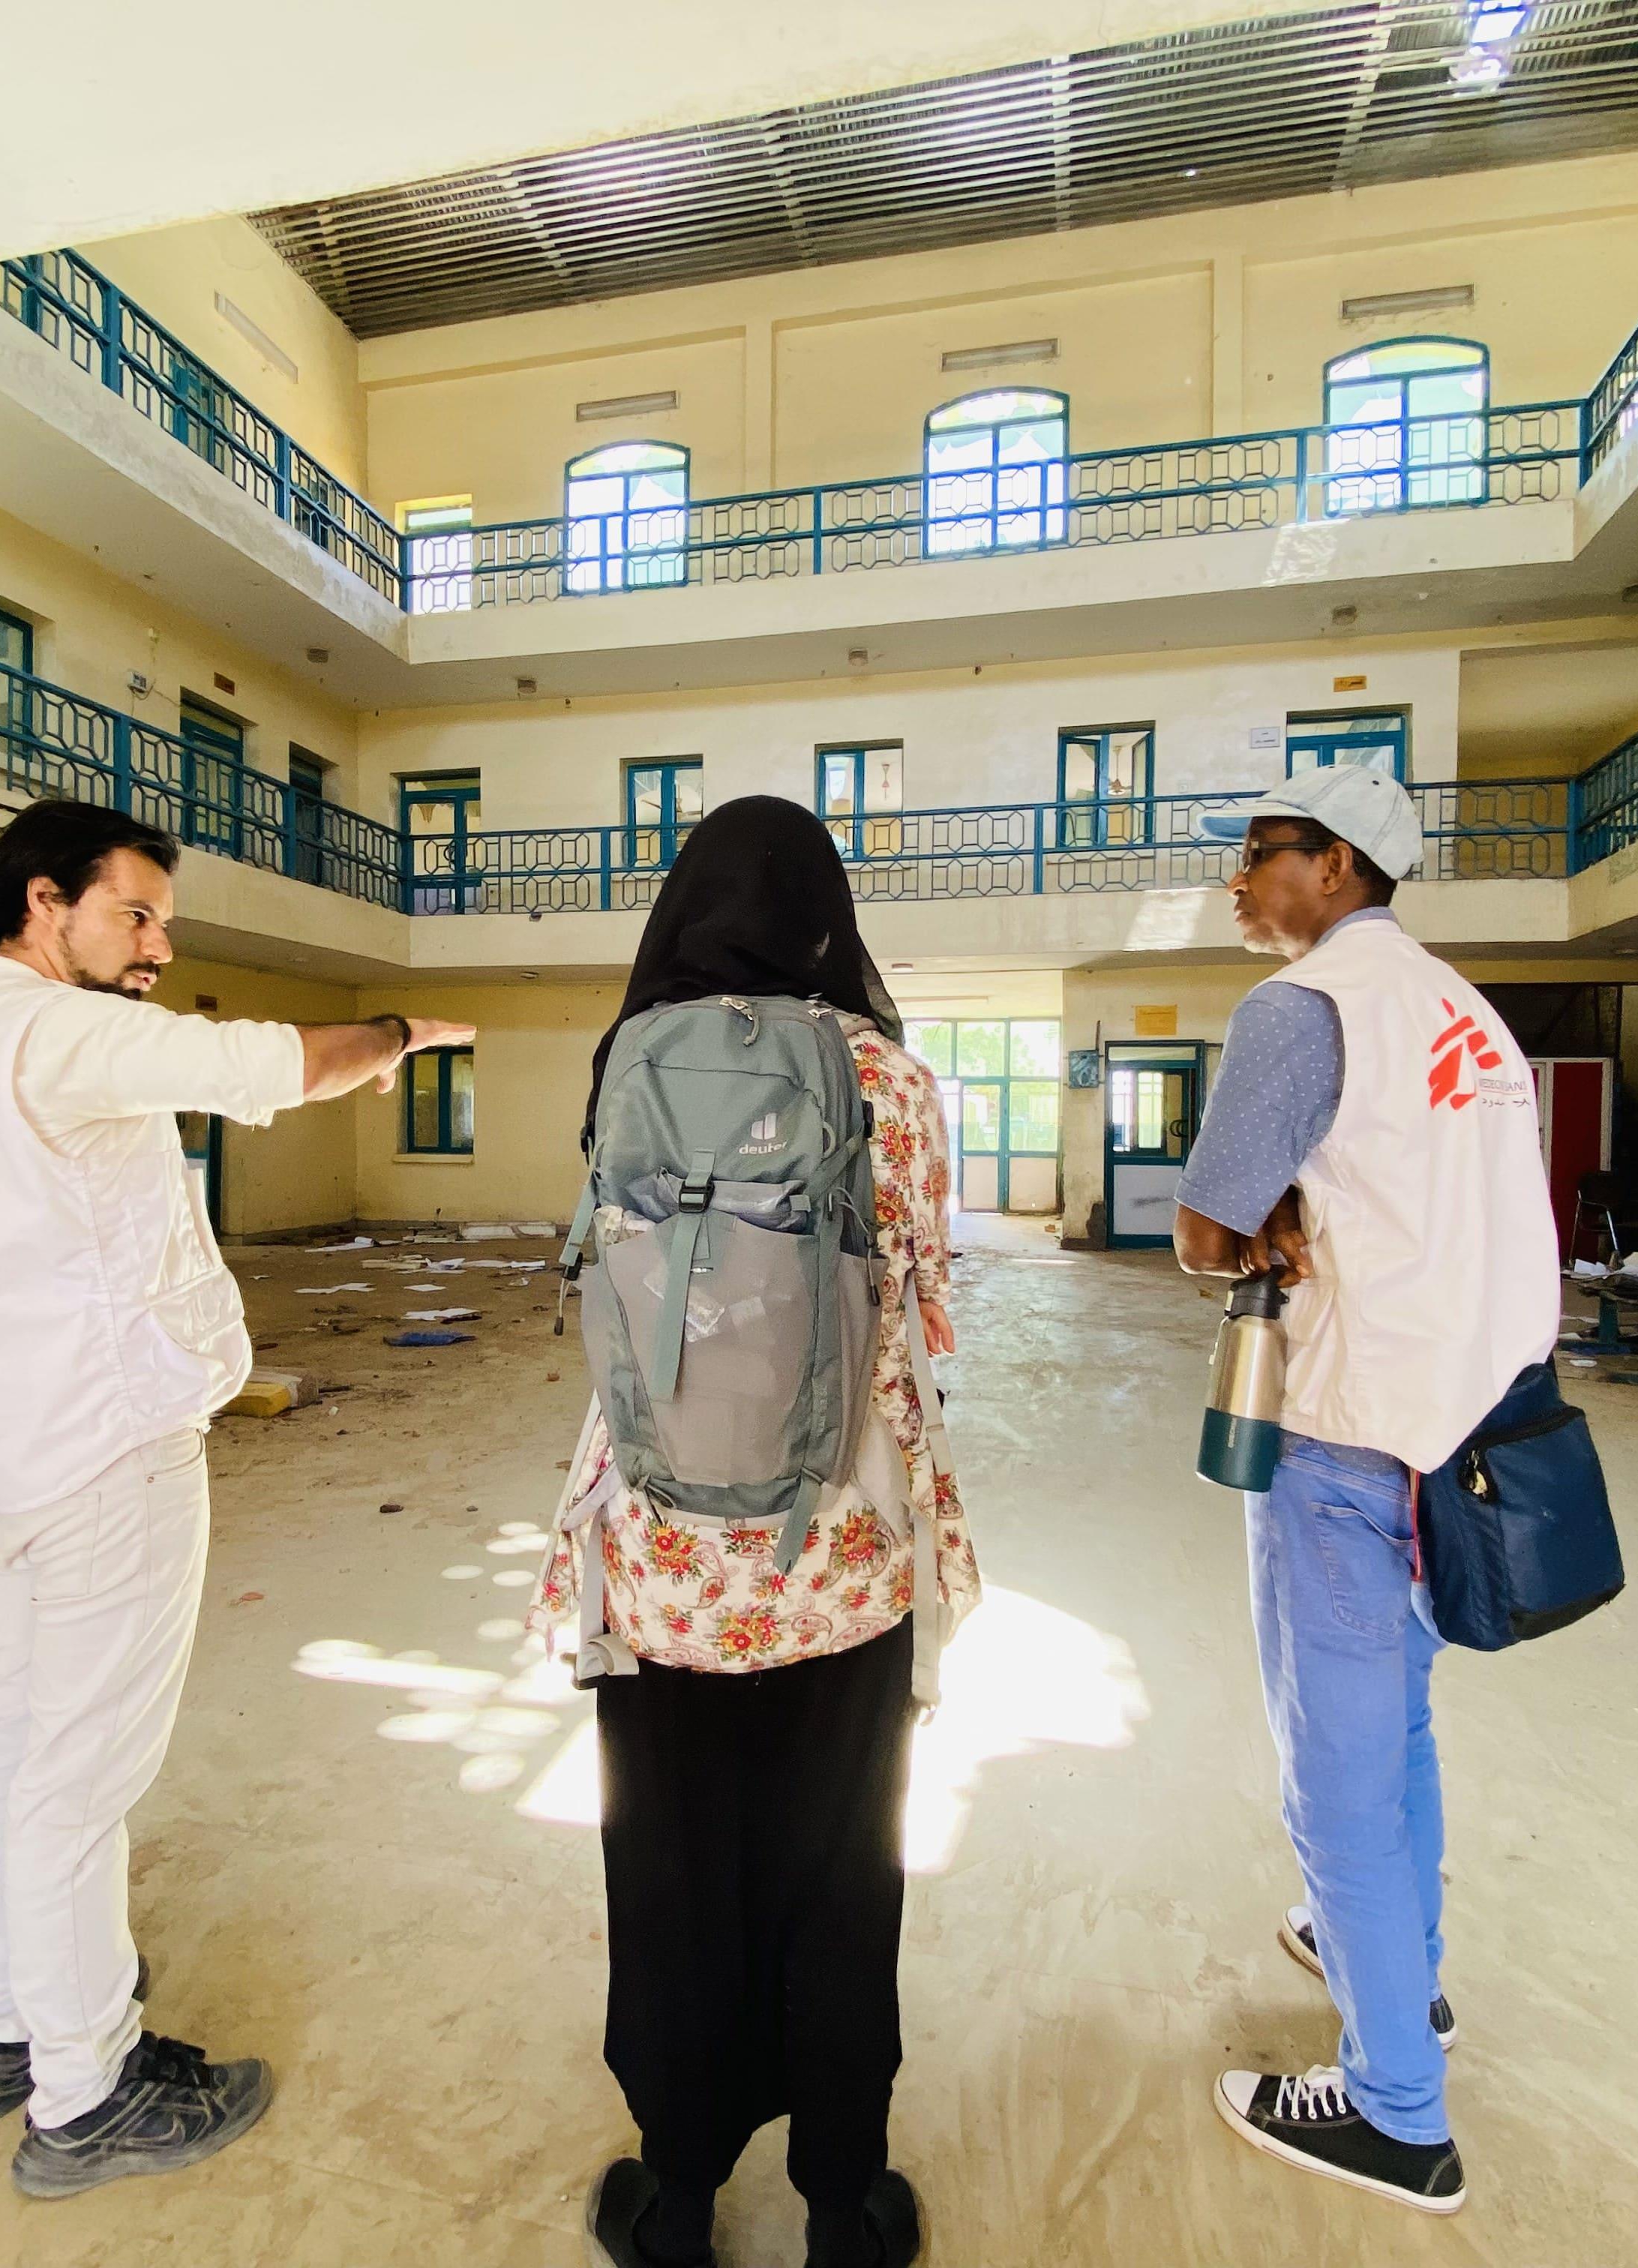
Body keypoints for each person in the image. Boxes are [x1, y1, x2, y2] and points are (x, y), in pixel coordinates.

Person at [0, 797, 470, 2200]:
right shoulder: (52, 1024)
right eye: (132, 915)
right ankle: (85, 2094)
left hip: (21, 1449)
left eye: (163, 921)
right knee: (78, 1776)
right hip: (103, 1449)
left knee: (22, 1734)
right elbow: (264, 1062)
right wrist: (402, 1036)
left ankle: (8, 2023)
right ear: (46, 905)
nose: (154, 945)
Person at [529, 796, 978, 2268]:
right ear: (829, 918)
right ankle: (845, 2203)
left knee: (668, 1877)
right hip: (840, 1560)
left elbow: (610, 1298)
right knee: (842, 1868)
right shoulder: (894, 1082)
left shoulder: (630, 1066)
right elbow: (925, 1307)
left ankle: (674, 2201)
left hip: (659, 1564)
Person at [1172, 766, 1558, 2217]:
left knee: (1333, 1779)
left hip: (1350, 1433)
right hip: (1468, 1427)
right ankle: (1402, 1976)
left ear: (1337, 868)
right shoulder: (1464, 1011)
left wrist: (1250, 1225)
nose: (1237, 881)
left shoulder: (1303, 1008)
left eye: (1260, 854)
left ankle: (1399, 2112)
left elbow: (1207, 1234)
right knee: (1397, 1727)